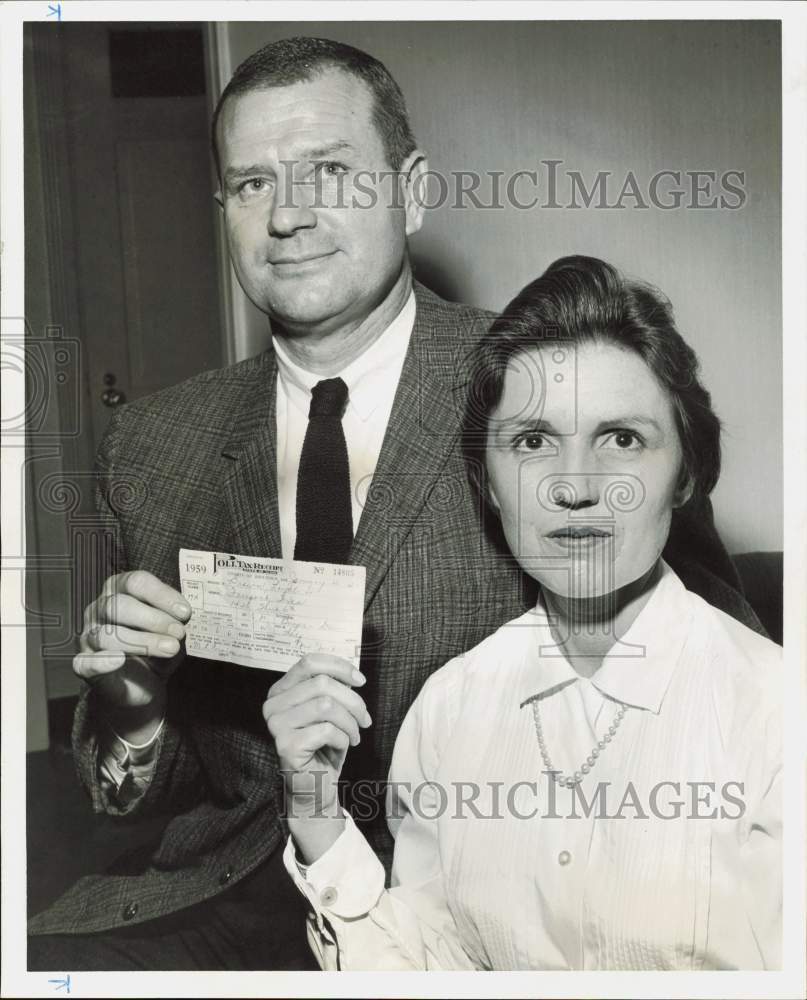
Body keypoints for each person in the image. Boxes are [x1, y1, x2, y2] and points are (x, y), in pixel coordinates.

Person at [28, 36, 761, 971]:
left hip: (486, 913)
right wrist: (134, 707)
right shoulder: (154, 445)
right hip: (228, 897)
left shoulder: (547, 384)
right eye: (252, 184)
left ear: (411, 191)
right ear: (223, 209)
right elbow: (154, 785)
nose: (288, 215)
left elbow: (717, 684)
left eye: (329, 172)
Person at [273, 255, 782, 971]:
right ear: (488, 482)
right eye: (533, 441)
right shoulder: (450, 709)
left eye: (622, 439)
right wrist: (315, 814)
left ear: (685, 475)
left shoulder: (773, 714)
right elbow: (426, 969)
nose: (574, 485)